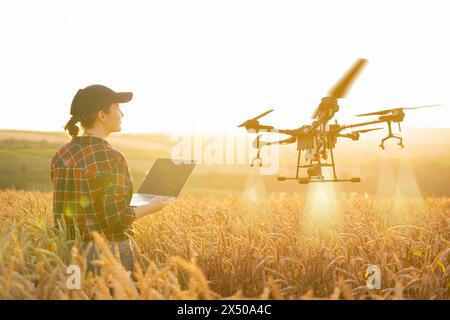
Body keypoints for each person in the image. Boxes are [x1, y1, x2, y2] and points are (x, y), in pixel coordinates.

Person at [51, 84, 171, 275]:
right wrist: (151, 206)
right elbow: (115, 219)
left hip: (67, 253)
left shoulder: (61, 154)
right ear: (102, 115)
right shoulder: (111, 157)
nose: (122, 114)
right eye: (117, 108)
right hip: (107, 253)